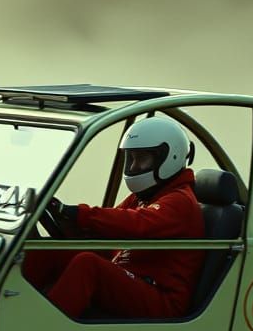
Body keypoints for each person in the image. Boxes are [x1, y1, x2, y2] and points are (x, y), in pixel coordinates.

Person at [23, 116, 205, 319]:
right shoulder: (143, 196)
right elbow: (111, 226)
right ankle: (11, 311)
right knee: (50, 251)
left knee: (88, 264)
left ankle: (43, 327)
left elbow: (137, 224)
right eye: (131, 158)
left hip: (162, 300)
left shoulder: (180, 200)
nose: (134, 167)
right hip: (134, 281)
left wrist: (79, 214)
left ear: (169, 157)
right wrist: (68, 219)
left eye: (142, 159)